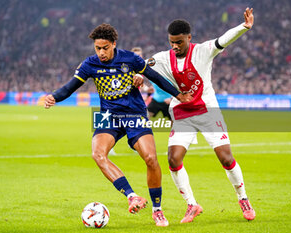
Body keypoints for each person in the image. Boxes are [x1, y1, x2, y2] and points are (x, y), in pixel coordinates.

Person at [44, 23, 187, 227]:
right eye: (97, 48)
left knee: (151, 158)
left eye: (105, 48)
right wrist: (54, 97)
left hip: (134, 113)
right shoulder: (90, 64)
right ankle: (131, 196)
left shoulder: (131, 59)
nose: (101, 52)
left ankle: (157, 210)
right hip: (108, 116)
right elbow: (71, 86)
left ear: (113, 44)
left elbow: (156, 78)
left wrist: (179, 95)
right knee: (97, 154)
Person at [148, 8, 256, 222]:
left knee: (226, 159)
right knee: (173, 159)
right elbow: (143, 65)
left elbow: (222, 40)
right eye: (171, 42)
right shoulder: (162, 58)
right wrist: (138, 76)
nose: (175, 46)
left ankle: (243, 198)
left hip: (207, 111)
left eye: (179, 42)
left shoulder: (203, 51)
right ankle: (191, 204)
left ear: (189, 37)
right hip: (181, 113)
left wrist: (244, 27)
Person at [131, 47, 172, 120]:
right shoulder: (128, 69)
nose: (138, 57)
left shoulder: (142, 69)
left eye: (140, 55)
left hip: (166, 100)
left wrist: (147, 90)